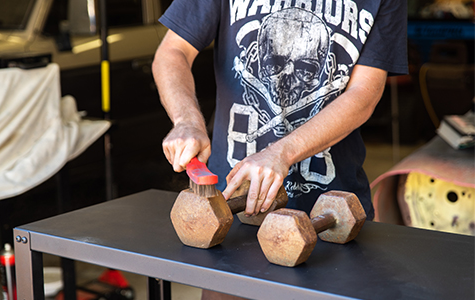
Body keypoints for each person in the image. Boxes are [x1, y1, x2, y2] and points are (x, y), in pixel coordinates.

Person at [153, 0, 407, 298]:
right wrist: (187, 120)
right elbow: (173, 52)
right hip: (232, 213)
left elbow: (365, 92)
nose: (288, 76)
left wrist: (281, 152)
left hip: (330, 217)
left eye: (305, 68)